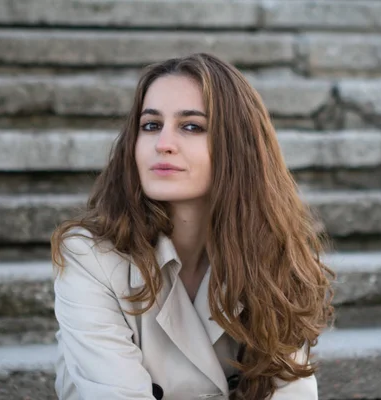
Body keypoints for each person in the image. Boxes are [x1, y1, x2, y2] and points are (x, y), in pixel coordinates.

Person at [51, 53, 334, 400]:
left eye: (192, 126)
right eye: (151, 125)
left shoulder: (273, 252)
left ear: (237, 147)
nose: (163, 144)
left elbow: (292, 392)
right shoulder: (89, 256)